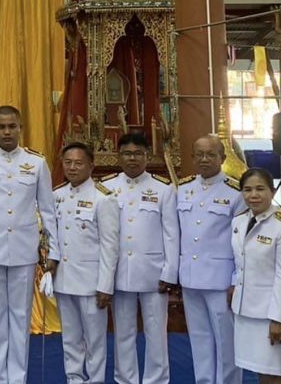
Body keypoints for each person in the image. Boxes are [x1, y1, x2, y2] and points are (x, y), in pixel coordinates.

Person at [0, 106, 58, 384]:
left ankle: (17, 378)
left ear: (20, 128)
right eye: (1, 127)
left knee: (20, 318)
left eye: (12, 126)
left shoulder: (36, 163)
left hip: (24, 251)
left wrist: (53, 252)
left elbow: (48, 210)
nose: (7, 132)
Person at [106, 133, 177, 384]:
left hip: (153, 272)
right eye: (127, 153)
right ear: (119, 157)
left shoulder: (163, 189)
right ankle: (125, 379)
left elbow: (171, 234)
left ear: (148, 156)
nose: (132, 158)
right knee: (123, 333)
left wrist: (170, 271)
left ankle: (156, 380)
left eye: (138, 153)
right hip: (119, 272)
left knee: (156, 332)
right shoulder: (107, 188)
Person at [177, 135, 244, 384]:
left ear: (222, 158)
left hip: (220, 280)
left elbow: (240, 243)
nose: (204, 159)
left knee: (226, 341)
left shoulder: (235, 193)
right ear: (193, 157)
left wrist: (236, 279)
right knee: (199, 339)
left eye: (211, 154)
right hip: (190, 277)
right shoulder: (182, 189)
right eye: (199, 155)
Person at [53, 142, 119, 384]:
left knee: (95, 339)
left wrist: (105, 286)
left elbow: (110, 246)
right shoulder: (57, 196)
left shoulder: (103, 198)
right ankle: (74, 378)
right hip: (64, 279)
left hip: (92, 282)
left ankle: (95, 380)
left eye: (78, 163)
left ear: (91, 166)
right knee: (70, 337)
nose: (72, 167)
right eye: (68, 162)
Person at [230, 168, 281, 383]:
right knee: (258, 368)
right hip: (244, 310)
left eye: (260, 189)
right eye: (247, 190)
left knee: (275, 371)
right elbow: (239, 262)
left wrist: (279, 318)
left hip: (268, 313)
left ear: (272, 191)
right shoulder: (238, 222)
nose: (253, 195)